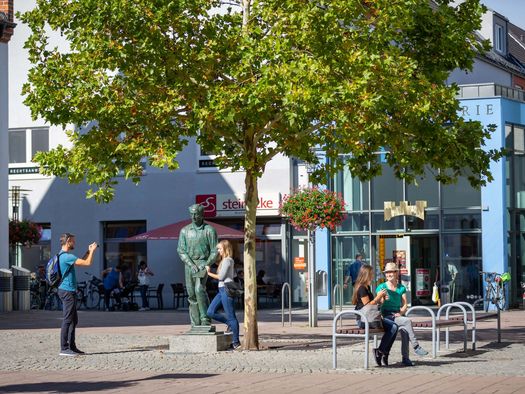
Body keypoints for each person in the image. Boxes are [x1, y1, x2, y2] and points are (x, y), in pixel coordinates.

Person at [376, 262, 428, 366]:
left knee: (405, 331)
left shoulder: (401, 288)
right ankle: (416, 346)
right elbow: (378, 303)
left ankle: (405, 358)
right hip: (386, 316)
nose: (389, 274)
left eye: (391, 272)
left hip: (397, 315)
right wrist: (382, 299)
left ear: (396, 273)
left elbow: (405, 305)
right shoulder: (381, 287)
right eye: (387, 272)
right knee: (407, 321)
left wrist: (400, 312)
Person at [57, 233, 98, 356]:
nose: (74, 243)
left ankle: (72, 347)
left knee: (74, 320)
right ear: (68, 241)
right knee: (68, 320)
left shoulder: (63, 256)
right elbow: (87, 263)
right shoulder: (67, 256)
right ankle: (64, 348)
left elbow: (81, 261)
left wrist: (88, 251)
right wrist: (93, 251)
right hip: (67, 291)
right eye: (73, 241)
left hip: (67, 290)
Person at [177, 204, 218, 327]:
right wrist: (190, 263)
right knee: (191, 294)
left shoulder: (209, 230)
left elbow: (214, 251)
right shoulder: (184, 231)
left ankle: (205, 318)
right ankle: (195, 322)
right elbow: (181, 250)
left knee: (199, 289)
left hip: (203, 263)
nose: (194, 216)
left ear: (202, 214)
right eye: (192, 214)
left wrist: (206, 263)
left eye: (196, 214)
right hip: (189, 264)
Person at [352, 264, 398, 367]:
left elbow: (373, 305)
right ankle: (381, 352)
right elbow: (367, 305)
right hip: (363, 320)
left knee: (394, 327)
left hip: (369, 317)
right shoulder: (362, 288)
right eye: (371, 274)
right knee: (393, 327)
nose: (373, 276)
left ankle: (383, 352)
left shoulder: (367, 287)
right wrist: (378, 296)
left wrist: (382, 299)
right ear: (367, 274)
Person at [206, 240, 241, 349]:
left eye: (220, 249)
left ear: (225, 249)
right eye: (218, 249)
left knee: (231, 316)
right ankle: (229, 324)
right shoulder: (223, 260)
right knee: (210, 312)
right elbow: (215, 259)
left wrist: (208, 273)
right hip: (221, 290)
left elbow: (221, 277)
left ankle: (236, 342)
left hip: (226, 289)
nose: (218, 251)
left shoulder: (227, 260)